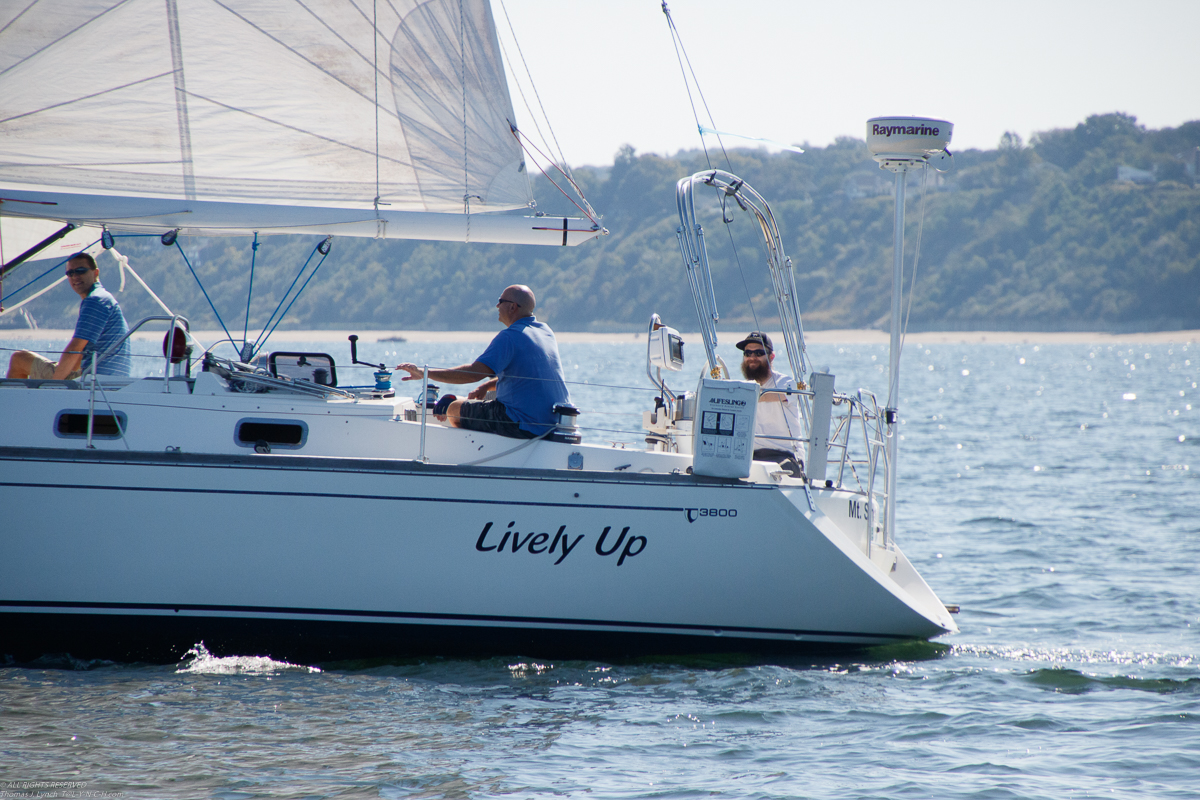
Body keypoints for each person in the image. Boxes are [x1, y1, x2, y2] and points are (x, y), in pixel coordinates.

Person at [395, 284, 569, 439]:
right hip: (552, 421)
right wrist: (486, 387)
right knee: (482, 400)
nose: (497, 306)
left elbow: (474, 373)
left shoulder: (509, 337)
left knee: (454, 409)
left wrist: (425, 373)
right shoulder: (546, 332)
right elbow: (525, 374)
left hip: (521, 424)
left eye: (500, 301)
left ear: (513, 307)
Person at [6, 252, 131, 380]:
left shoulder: (95, 300)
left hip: (93, 381)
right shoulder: (104, 298)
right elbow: (80, 354)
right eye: (70, 273)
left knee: (19, 359)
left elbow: (76, 347)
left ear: (96, 273)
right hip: (110, 381)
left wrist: (55, 384)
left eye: (80, 271)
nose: (75, 276)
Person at [737, 331, 805, 478]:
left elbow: (773, 395)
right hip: (751, 456)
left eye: (758, 353)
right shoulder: (743, 388)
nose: (752, 358)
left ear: (771, 356)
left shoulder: (785, 382)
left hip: (784, 455)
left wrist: (741, 395)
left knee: (771, 473)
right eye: (747, 353)